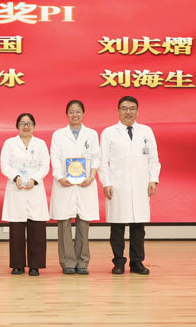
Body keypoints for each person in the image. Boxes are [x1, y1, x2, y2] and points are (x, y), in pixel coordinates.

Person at [98, 96, 161, 275]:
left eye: (132, 108)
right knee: (117, 227)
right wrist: (106, 183)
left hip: (140, 185)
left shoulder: (146, 131)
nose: (128, 112)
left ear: (137, 111)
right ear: (118, 111)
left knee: (138, 227)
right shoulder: (109, 133)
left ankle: (137, 262)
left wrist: (153, 179)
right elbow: (103, 161)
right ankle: (118, 262)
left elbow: (153, 159)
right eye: (124, 108)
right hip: (117, 186)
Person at [49, 100, 100, 275]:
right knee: (64, 223)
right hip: (65, 184)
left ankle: (82, 262)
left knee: (83, 223)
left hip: (85, 183)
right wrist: (60, 177)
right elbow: (55, 157)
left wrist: (92, 176)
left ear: (83, 113)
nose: (75, 115)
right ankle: (67, 262)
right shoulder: (58, 135)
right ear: (67, 114)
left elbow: (96, 156)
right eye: (71, 112)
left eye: (78, 111)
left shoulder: (91, 134)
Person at [0, 113, 50, 276]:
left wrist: (34, 180)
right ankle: (18, 264)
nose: (26, 126)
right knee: (16, 230)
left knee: (37, 229)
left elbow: (45, 166)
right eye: (22, 123)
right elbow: (4, 165)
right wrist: (16, 177)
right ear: (17, 126)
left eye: (29, 123)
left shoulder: (41, 144)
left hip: (35, 189)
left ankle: (35, 265)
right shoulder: (9, 143)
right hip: (17, 188)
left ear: (34, 126)